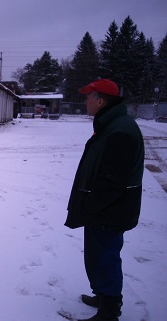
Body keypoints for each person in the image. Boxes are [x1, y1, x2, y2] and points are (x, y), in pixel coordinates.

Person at [65, 79, 144, 321]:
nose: (85, 101)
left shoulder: (119, 130)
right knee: (98, 254)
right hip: (105, 208)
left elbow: (113, 180)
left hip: (109, 209)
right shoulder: (111, 125)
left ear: (101, 101)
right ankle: (103, 296)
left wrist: (91, 205)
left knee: (106, 256)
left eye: (88, 97)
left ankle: (109, 311)